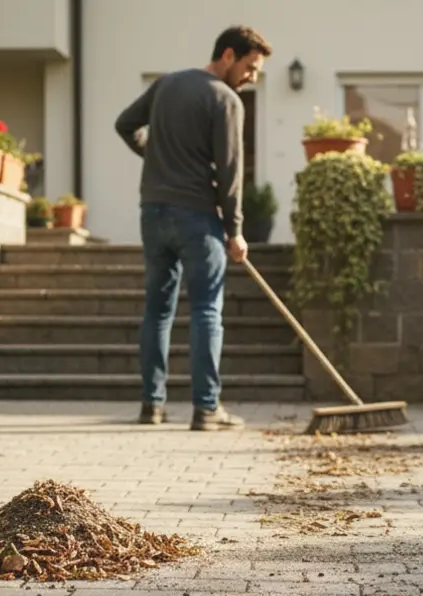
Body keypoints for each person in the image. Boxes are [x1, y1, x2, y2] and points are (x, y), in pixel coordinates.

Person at [114, 25, 271, 431]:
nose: (252, 77)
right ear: (229, 55)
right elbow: (232, 172)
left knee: (157, 308)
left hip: (153, 212)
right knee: (205, 309)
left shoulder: (167, 85)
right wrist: (235, 229)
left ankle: (152, 406)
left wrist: (153, 153)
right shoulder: (226, 99)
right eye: (251, 67)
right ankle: (206, 409)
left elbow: (124, 124)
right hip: (197, 218)